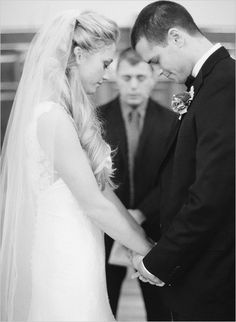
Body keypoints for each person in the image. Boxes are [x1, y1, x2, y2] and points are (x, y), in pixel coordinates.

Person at [0, 11, 155, 322]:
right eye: (106, 64)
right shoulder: (52, 117)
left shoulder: (66, 114)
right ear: (80, 55)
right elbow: (95, 203)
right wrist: (150, 253)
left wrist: (146, 244)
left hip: (82, 249)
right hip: (63, 257)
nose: (108, 74)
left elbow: (103, 192)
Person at [130, 1, 235, 321]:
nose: (158, 71)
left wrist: (159, 261)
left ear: (176, 37)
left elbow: (212, 194)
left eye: (155, 60)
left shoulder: (226, 84)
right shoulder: (208, 83)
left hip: (214, 276)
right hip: (199, 272)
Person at [99, 47, 177, 320]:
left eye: (141, 77)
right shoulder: (95, 120)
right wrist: (118, 216)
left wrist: (140, 213)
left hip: (154, 231)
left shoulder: (173, 122)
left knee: (159, 310)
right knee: (102, 303)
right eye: (127, 77)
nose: (133, 85)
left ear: (154, 76)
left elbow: (174, 179)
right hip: (104, 231)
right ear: (116, 77)